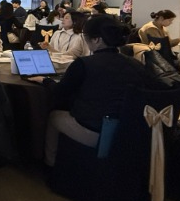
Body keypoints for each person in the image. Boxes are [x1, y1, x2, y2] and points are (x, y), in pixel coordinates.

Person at [34, 15, 166, 166]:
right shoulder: (135, 64)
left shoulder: (83, 64)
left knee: (54, 116)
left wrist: (45, 80)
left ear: (96, 40)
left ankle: (50, 165)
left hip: (97, 130)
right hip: (131, 130)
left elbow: (60, 93)